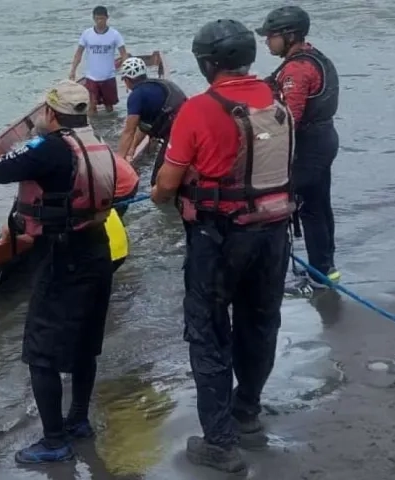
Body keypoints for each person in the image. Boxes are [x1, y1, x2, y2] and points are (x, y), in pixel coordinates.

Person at [0, 80, 117, 465]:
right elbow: (113, 185)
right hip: (98, 250)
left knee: (41, 353)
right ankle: (78, 420)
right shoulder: (95, 142)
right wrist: (24, 219)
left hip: (63, 257)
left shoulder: (50, 148)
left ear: (50, 113)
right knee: (85, 343)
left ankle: (54, 442)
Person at [150, 18, 294, 474]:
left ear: (207, 62)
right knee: (260, 322)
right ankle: (246, 413)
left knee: (209, 333)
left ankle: (220, 442)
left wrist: (158, 193)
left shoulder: (198, 108)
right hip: (274, 233)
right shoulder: (278, 98)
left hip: (219, 238)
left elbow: (165, 186)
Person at [256, 5, 341, 287]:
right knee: (320, 204)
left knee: (309, 209)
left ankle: (319, 274)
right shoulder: (312, 56)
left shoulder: (297, 69)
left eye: (271, 35)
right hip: (324, 138)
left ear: (290, 36)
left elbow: (288, 118)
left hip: (309, 146)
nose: (267, 40)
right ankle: (326, 267)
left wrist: (260, 139)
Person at [116, 56, 188, 186]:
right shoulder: (159, 85)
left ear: (127, 80)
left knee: (157, 182)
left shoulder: (136, 95)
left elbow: (129, 131)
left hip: (177, 134)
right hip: (190, 127)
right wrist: (132, 148)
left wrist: (119, 162)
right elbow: (144, 125)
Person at [69, 5, 128, 114]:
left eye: (102, 18)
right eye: (97, 19)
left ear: (107, 18)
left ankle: (110, 128)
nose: (100, 21)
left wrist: (126, 71)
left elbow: (123, 54)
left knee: (109, 107)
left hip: (108, 76)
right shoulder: (87, 34)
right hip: (92, 77)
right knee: (92, 106)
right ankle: (94, 128)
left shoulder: (115, 35)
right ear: (93, 19)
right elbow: (79, 53)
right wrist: (73, 70)